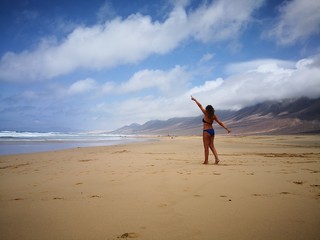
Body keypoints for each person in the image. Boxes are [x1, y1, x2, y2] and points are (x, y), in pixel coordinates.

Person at [191, 96, 231, 164]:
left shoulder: (205, 113)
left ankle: (206, 161)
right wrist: (226, 128)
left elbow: (200, 106)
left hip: (206, 131)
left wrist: (195, 100)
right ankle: (217, 158)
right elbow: (220, 122)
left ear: (207, 110)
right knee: (212, 146)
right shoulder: (214, 116)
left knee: (206, 147)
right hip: (212, 131)